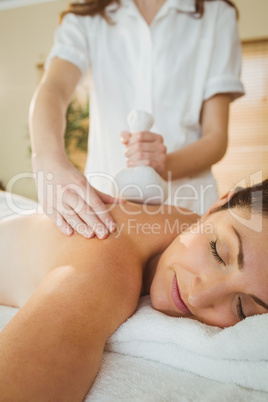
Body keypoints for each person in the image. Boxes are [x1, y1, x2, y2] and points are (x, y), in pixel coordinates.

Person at [0, 179, 267, 400]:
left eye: (241, 309)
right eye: (217, 253)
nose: (198, 297)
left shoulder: (198, 224)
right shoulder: (104, 268)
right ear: (218, 204)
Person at [29, 0, 245, 239]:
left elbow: (216, 137)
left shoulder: (216, 14)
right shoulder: (88, 14)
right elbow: (54, 87)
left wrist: (163, 163)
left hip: (187, 208)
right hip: (106, 212)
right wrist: (48, 160)